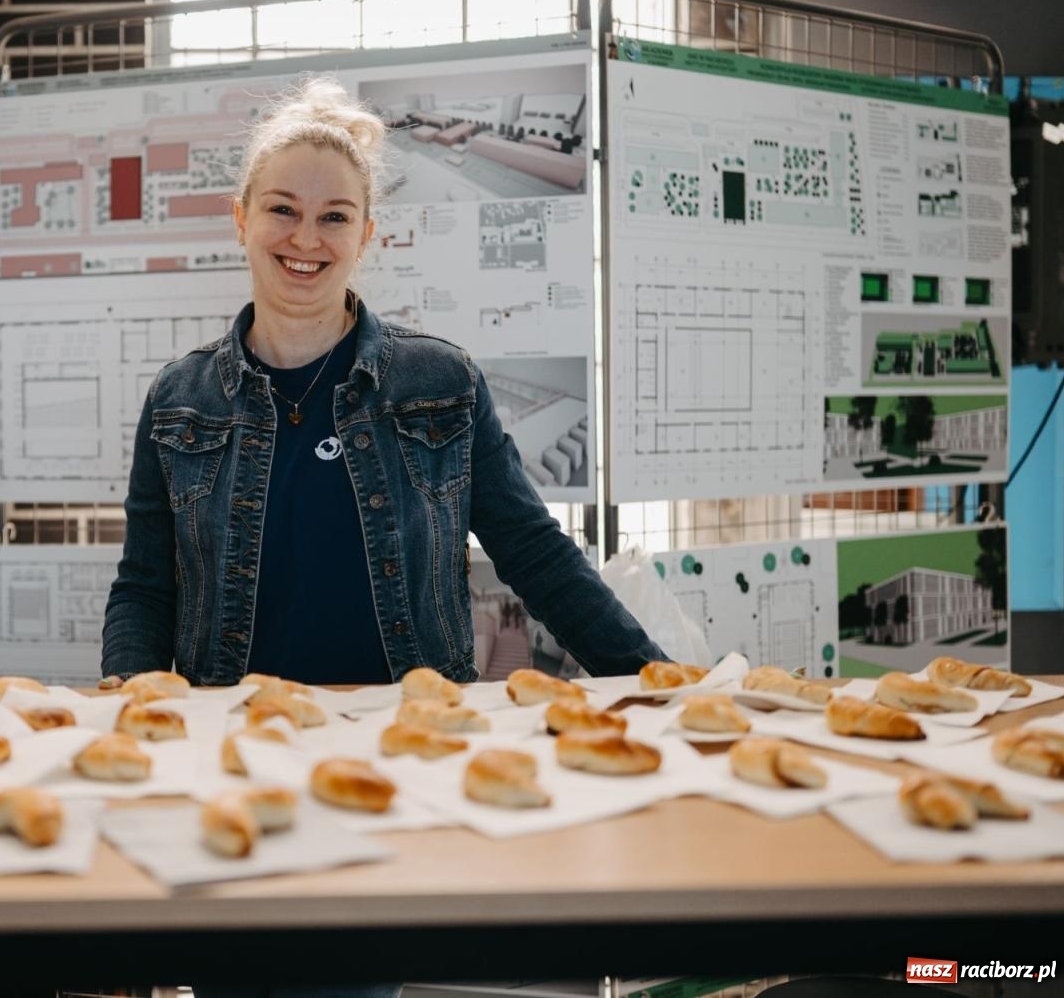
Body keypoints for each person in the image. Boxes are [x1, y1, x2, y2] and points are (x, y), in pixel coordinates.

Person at [102, 76, 666, 692]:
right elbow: (144, 590)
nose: (306, 238)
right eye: (282, 209)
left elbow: (538, 556)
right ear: (241, 219)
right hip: (235, 739)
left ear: (366, 234)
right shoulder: (180, 400)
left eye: (334, 217)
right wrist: (137, 705)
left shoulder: (441, 382)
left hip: (415, 735)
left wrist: (662, 686)